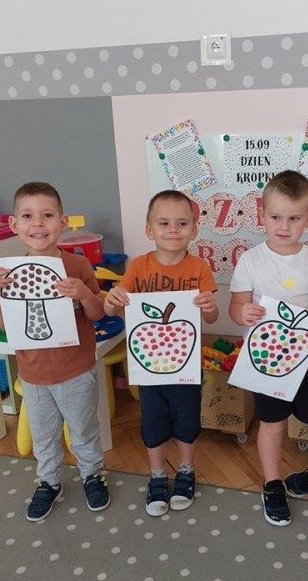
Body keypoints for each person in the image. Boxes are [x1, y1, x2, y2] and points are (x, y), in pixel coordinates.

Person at [229, 170, 308, 527]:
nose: (284, 226)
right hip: (267, 364)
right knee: (271, 422)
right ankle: (272, 483)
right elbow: (236, 306)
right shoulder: (250, 260)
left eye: (294, 218)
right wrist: (242, 312)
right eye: (276, 217)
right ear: (261, 215)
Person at [0, 181, 110, 522]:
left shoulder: (78, 265)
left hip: (75, 369)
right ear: (14, 224)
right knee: (43, 436)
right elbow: (4, 324)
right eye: (27, 216)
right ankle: (49, 482)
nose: (38, 223)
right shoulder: (7, 272)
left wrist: (83, 293)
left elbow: (98, 314)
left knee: (84, 430)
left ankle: (92, 475)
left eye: (47, 215)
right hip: (33, 373)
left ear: (62, 222)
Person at [104, 190, 218, 516]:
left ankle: (186, 470)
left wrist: (210, 307)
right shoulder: (139, 267)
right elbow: (115, 307)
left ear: (194, 230)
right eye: (164, 223)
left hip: (187, 366)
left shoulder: (199, 267)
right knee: (153, 423)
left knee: (186, 420)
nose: (173, 230)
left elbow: (210, 318)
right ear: (149, 229)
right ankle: (157, 475)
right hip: (149, 368)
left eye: (181, 223)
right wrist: (112, 300)